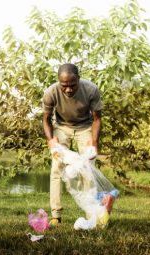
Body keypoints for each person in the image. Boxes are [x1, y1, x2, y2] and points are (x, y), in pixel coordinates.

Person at [42, 63, 102, 226]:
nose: (68, 90)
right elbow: (46, 119)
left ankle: (91, 214)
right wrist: (51, 140)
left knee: (88, 168)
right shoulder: (51, 92)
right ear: (59, 83)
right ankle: (56, 214)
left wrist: (94, 142)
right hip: (62, 127)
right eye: (64, 86)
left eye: (72, 85)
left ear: (79, 79)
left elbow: (97, 119)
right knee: (57, 167)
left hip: (85, 127)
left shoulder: (91, 90)